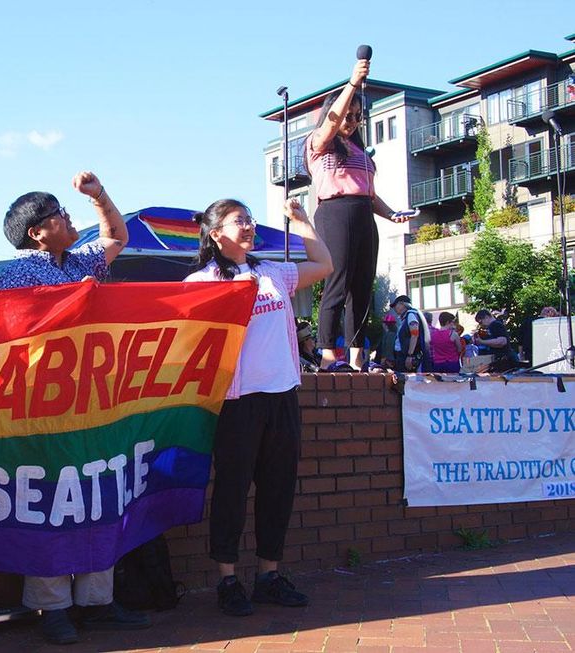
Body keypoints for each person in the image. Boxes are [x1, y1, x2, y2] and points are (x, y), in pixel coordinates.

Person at [0, 172, 150, 645]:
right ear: (36, 231)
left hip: (96, 399)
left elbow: (118, 236)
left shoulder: (78, 259)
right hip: (45, 403)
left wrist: (100, 194)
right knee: (52, 503)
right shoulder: (19, 271)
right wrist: (70, 301)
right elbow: (8, 335)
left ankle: (97, 601)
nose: (67, 216)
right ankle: (52, 606)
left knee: (99, 494)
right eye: (57, 213)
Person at [184, 198, 332, 617]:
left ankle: (269, 575)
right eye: (239, 221)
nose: (249, 226)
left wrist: (302, 222)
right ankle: (227, 580)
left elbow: (323, 264)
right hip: (236, 403)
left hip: (282, 395)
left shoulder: (272, 272)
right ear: (216, 234)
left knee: (278, 488)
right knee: (232, 490)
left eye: (250, 219)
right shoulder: (201, 282)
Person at [305, 57, 413, 370]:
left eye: (356, 116)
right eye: (345, 115)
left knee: (363, 286)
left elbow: (368, 193)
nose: (350, 121)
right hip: (334, 212)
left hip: (364, 213)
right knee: (337, 283)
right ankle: (327, 354)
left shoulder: (360, 153)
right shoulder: (320, 143)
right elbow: (331, 121)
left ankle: (356, 355)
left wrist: (392, 215)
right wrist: (352, 83)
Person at [391, 295, 430, 373]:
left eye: (396, 305)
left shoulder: (411, 315)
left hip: (407, 357)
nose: (394, 308)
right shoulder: (406, 317)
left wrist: (410, 355)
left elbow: (415, 335)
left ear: (402, 304)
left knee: (407, 381)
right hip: (403, 356)